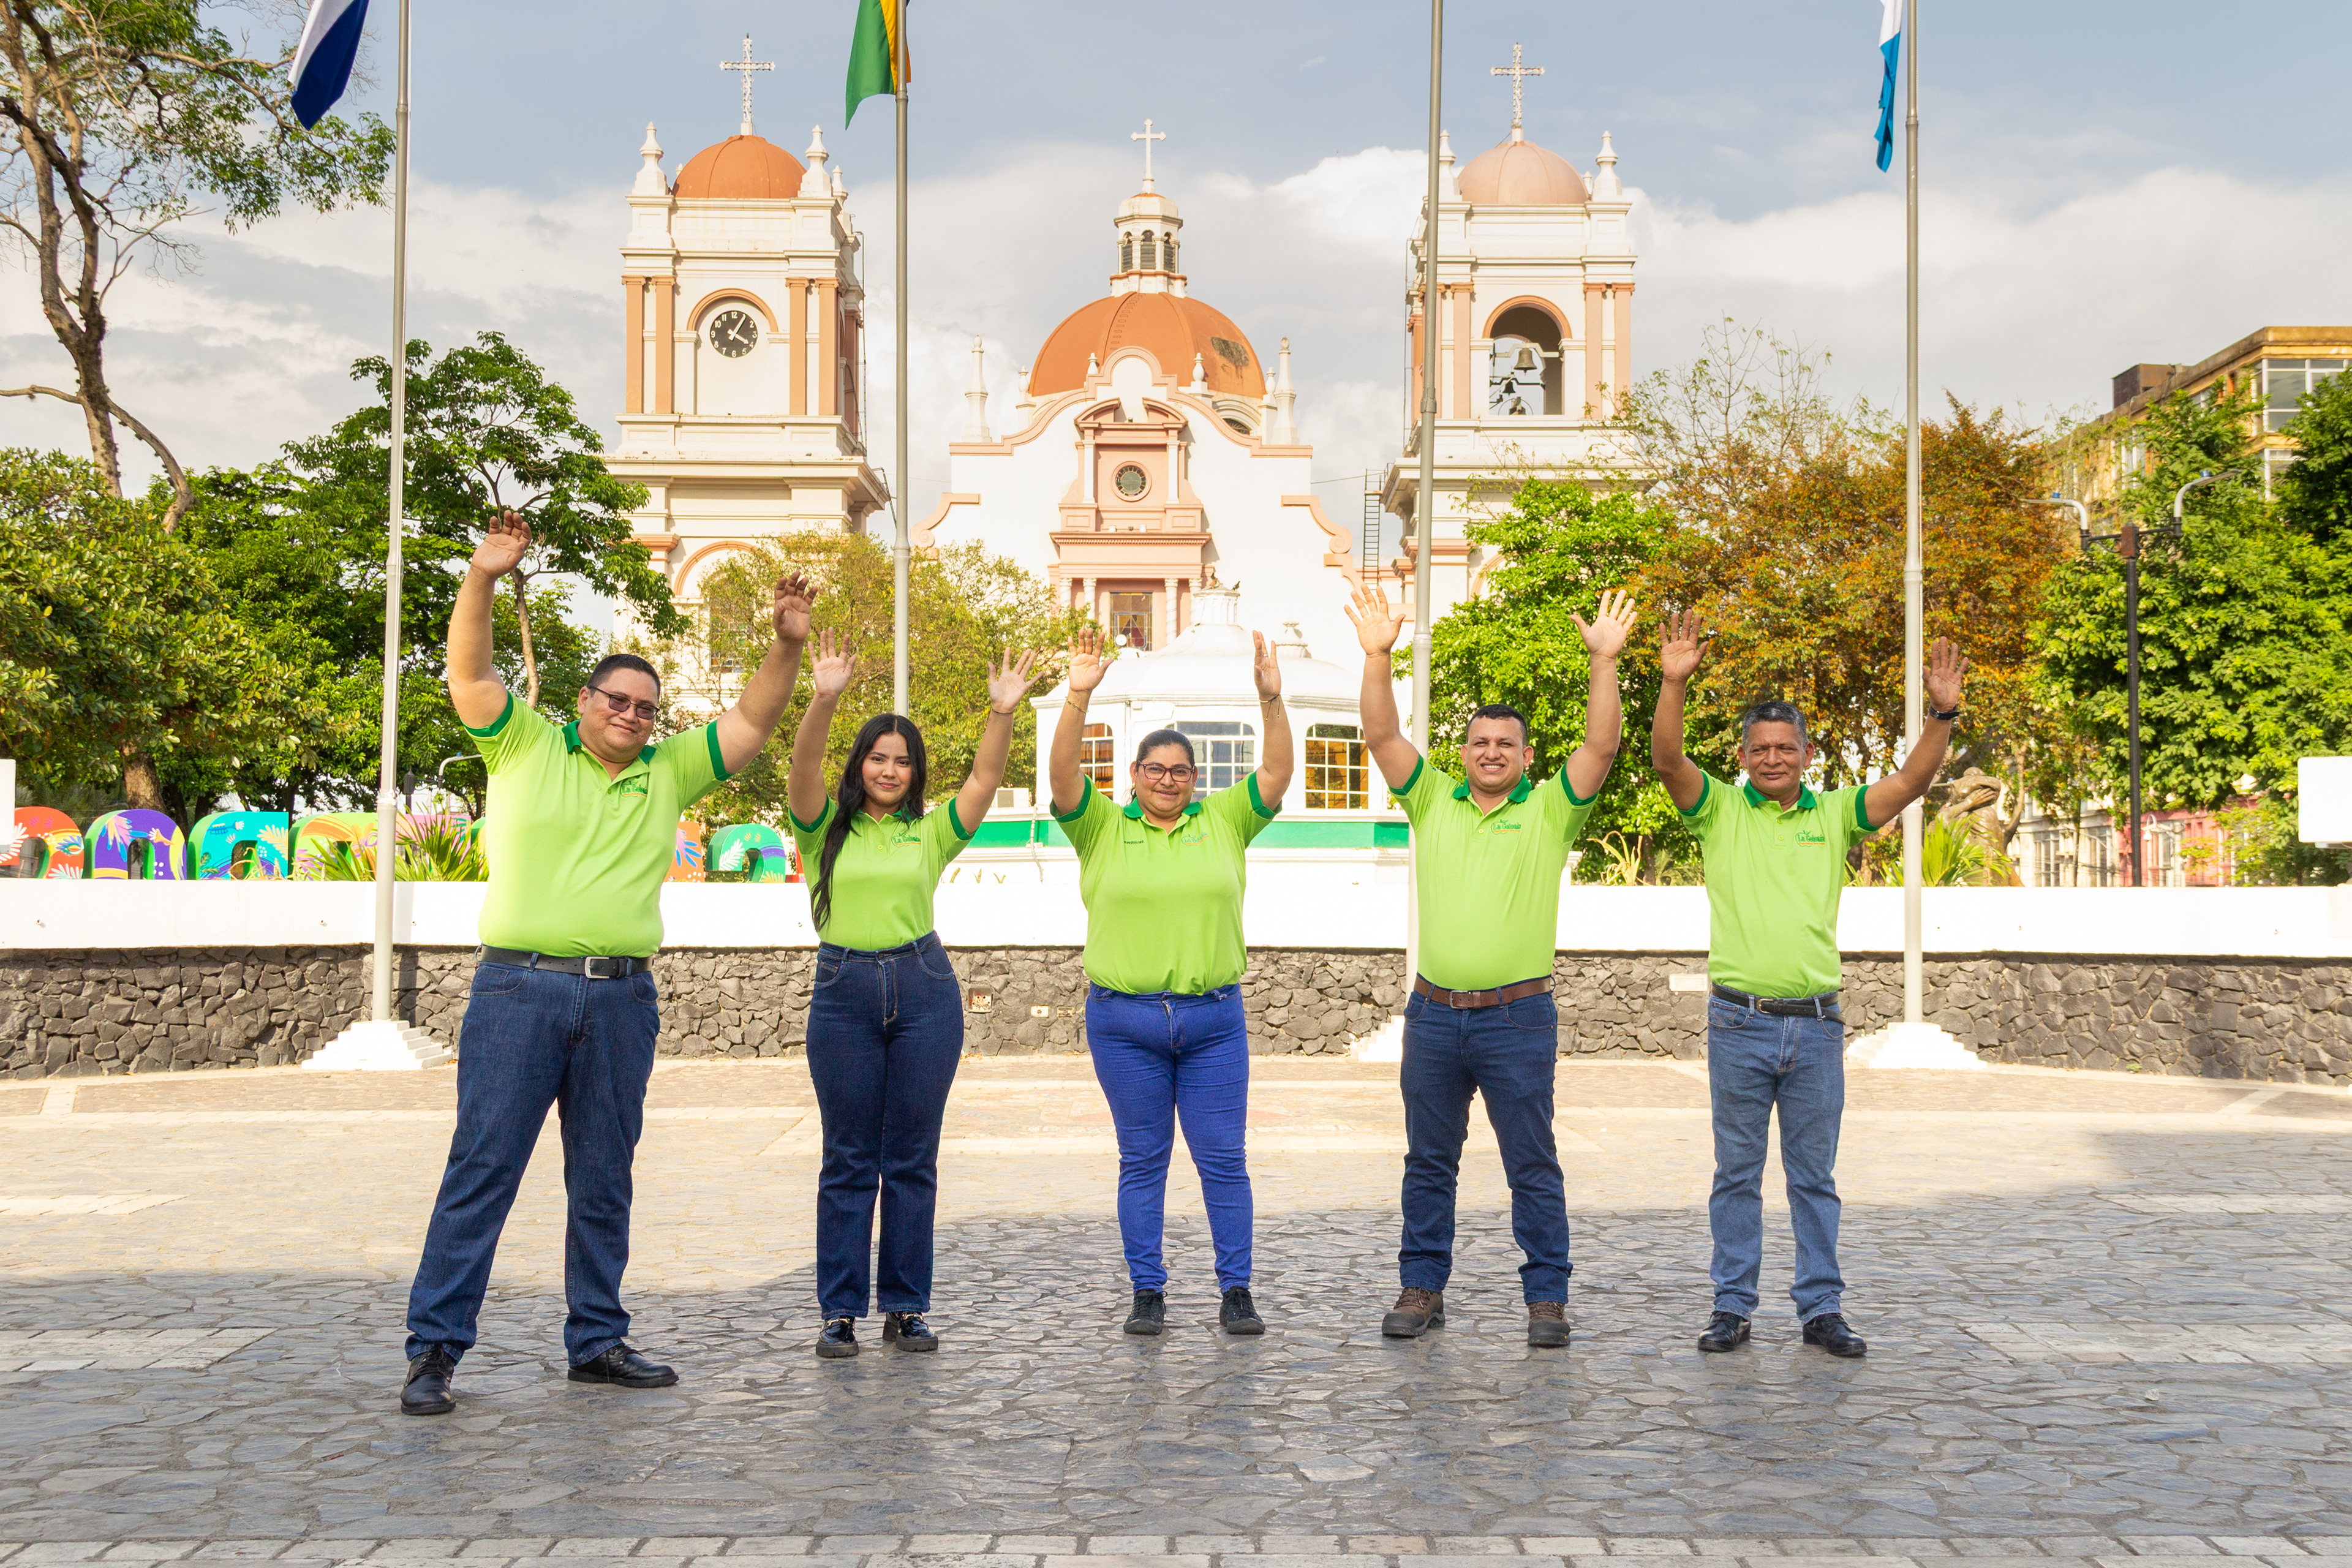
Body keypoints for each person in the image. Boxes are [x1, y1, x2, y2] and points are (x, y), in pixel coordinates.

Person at [401, 511, 813, 1417]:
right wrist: (482, 575)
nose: (630, 715)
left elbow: (752, 719)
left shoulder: (669, 770)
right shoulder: (523, 742)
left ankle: (596, 1339)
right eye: (615, 700)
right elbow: (469, 672)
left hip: (622, 1000)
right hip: (519, 988)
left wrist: (785, 645)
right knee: (483, 1169)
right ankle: (434, 1349)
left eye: (645, 707)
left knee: (604, 1177)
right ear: (584, 702)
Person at [1651, 612, 1968, 1359]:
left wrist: (1943, 714)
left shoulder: (1834, 814)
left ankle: (1821, 1309)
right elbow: (1668, 760)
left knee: (1813, 1179)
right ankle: (1732, 1307)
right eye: (1759, 749)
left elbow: (1910, 782)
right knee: (1736, 1175)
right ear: (1741, 757)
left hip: (1817, 1027)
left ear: (1807, 754)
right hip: (1740, 1023)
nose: (1772, 758)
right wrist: (1673, 683)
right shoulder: (1718, 810)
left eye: (1785, 747)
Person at [1344, 581, 1635, 1349]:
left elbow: (1601, 748)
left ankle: (1547, 1299)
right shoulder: (1432, 799)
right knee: (1427, 1162)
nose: (1492, 752)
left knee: (1531, 1163)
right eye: (1480, 742)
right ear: (1464, 751)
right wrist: (1377, 657)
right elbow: (1381, 734)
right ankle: (1422, 1287)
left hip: (1518, 1018)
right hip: (1434, 1015)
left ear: (1526, 756)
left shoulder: (1549, 809)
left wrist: (1603, 661)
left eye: (1507, 743)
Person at [786, 631, 1042, 1359]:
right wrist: (824, 697)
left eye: (903, 760)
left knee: (911, 1158)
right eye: (878, 757)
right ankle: (839, 1311)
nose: (890, 769)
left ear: (915, 772)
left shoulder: (929, 835)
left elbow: (984, 780)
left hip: (924, 991)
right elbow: (804, 765)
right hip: (842, 993)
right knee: (847, 1157)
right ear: (860, 764)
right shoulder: (822, 828)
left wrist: (1001, 712)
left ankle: (905, 1307)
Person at [1046, 622, 1292, 1337]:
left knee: (1224, 1161)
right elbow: (1061, 777)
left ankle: (1236, 1289)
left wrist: (1271, 699)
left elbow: (1276, 774)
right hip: (1124, 1023)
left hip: (1213, 1021)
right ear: (1133, 775)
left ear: (1196, 778)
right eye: (1154, 769)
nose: (1167, 779)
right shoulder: (1101, 827)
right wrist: (1078, 694)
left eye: (1180, 771)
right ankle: (1147, 1290)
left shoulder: (1225, 820)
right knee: (1142, 1161)